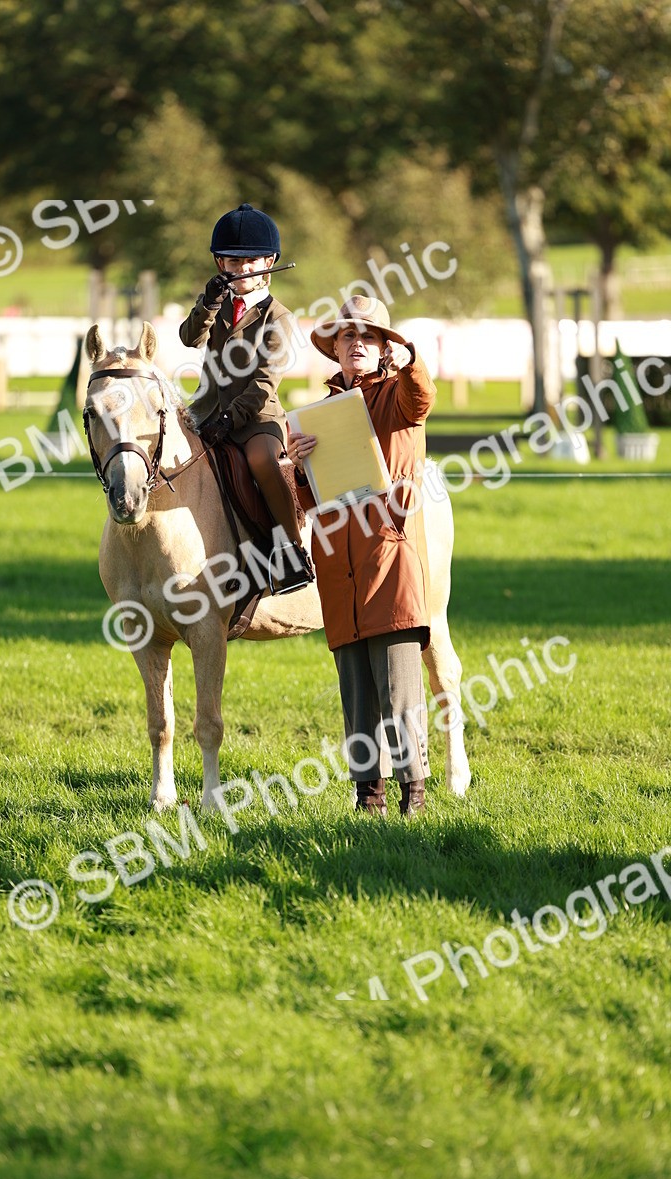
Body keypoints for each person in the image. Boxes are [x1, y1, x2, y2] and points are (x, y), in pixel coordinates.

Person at [288, 295, 436, 816]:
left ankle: (413, 794)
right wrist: (297, 466)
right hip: (338, 569)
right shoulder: (318, 414)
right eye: (347, 337)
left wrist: (409, 363)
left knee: (398, 688)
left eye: (367, 337)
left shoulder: (398, 397)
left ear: (385, 350)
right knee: (356, 693)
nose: (356, 344)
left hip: (387, 559)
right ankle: (367, 795)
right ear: (336, 349)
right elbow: (309, 500)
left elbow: (422, 398)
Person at [179, 203, 314, 592]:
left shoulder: (280, 319)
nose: (239, 270)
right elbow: (191, 338)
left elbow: (263, 383)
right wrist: (207, 303)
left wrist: (230, 420)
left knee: (261, 461)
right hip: (208, 414)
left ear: (270, 261)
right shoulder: (219, 306)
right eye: (230, 262)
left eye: (249, 261)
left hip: (257, 418)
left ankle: (291, 551)